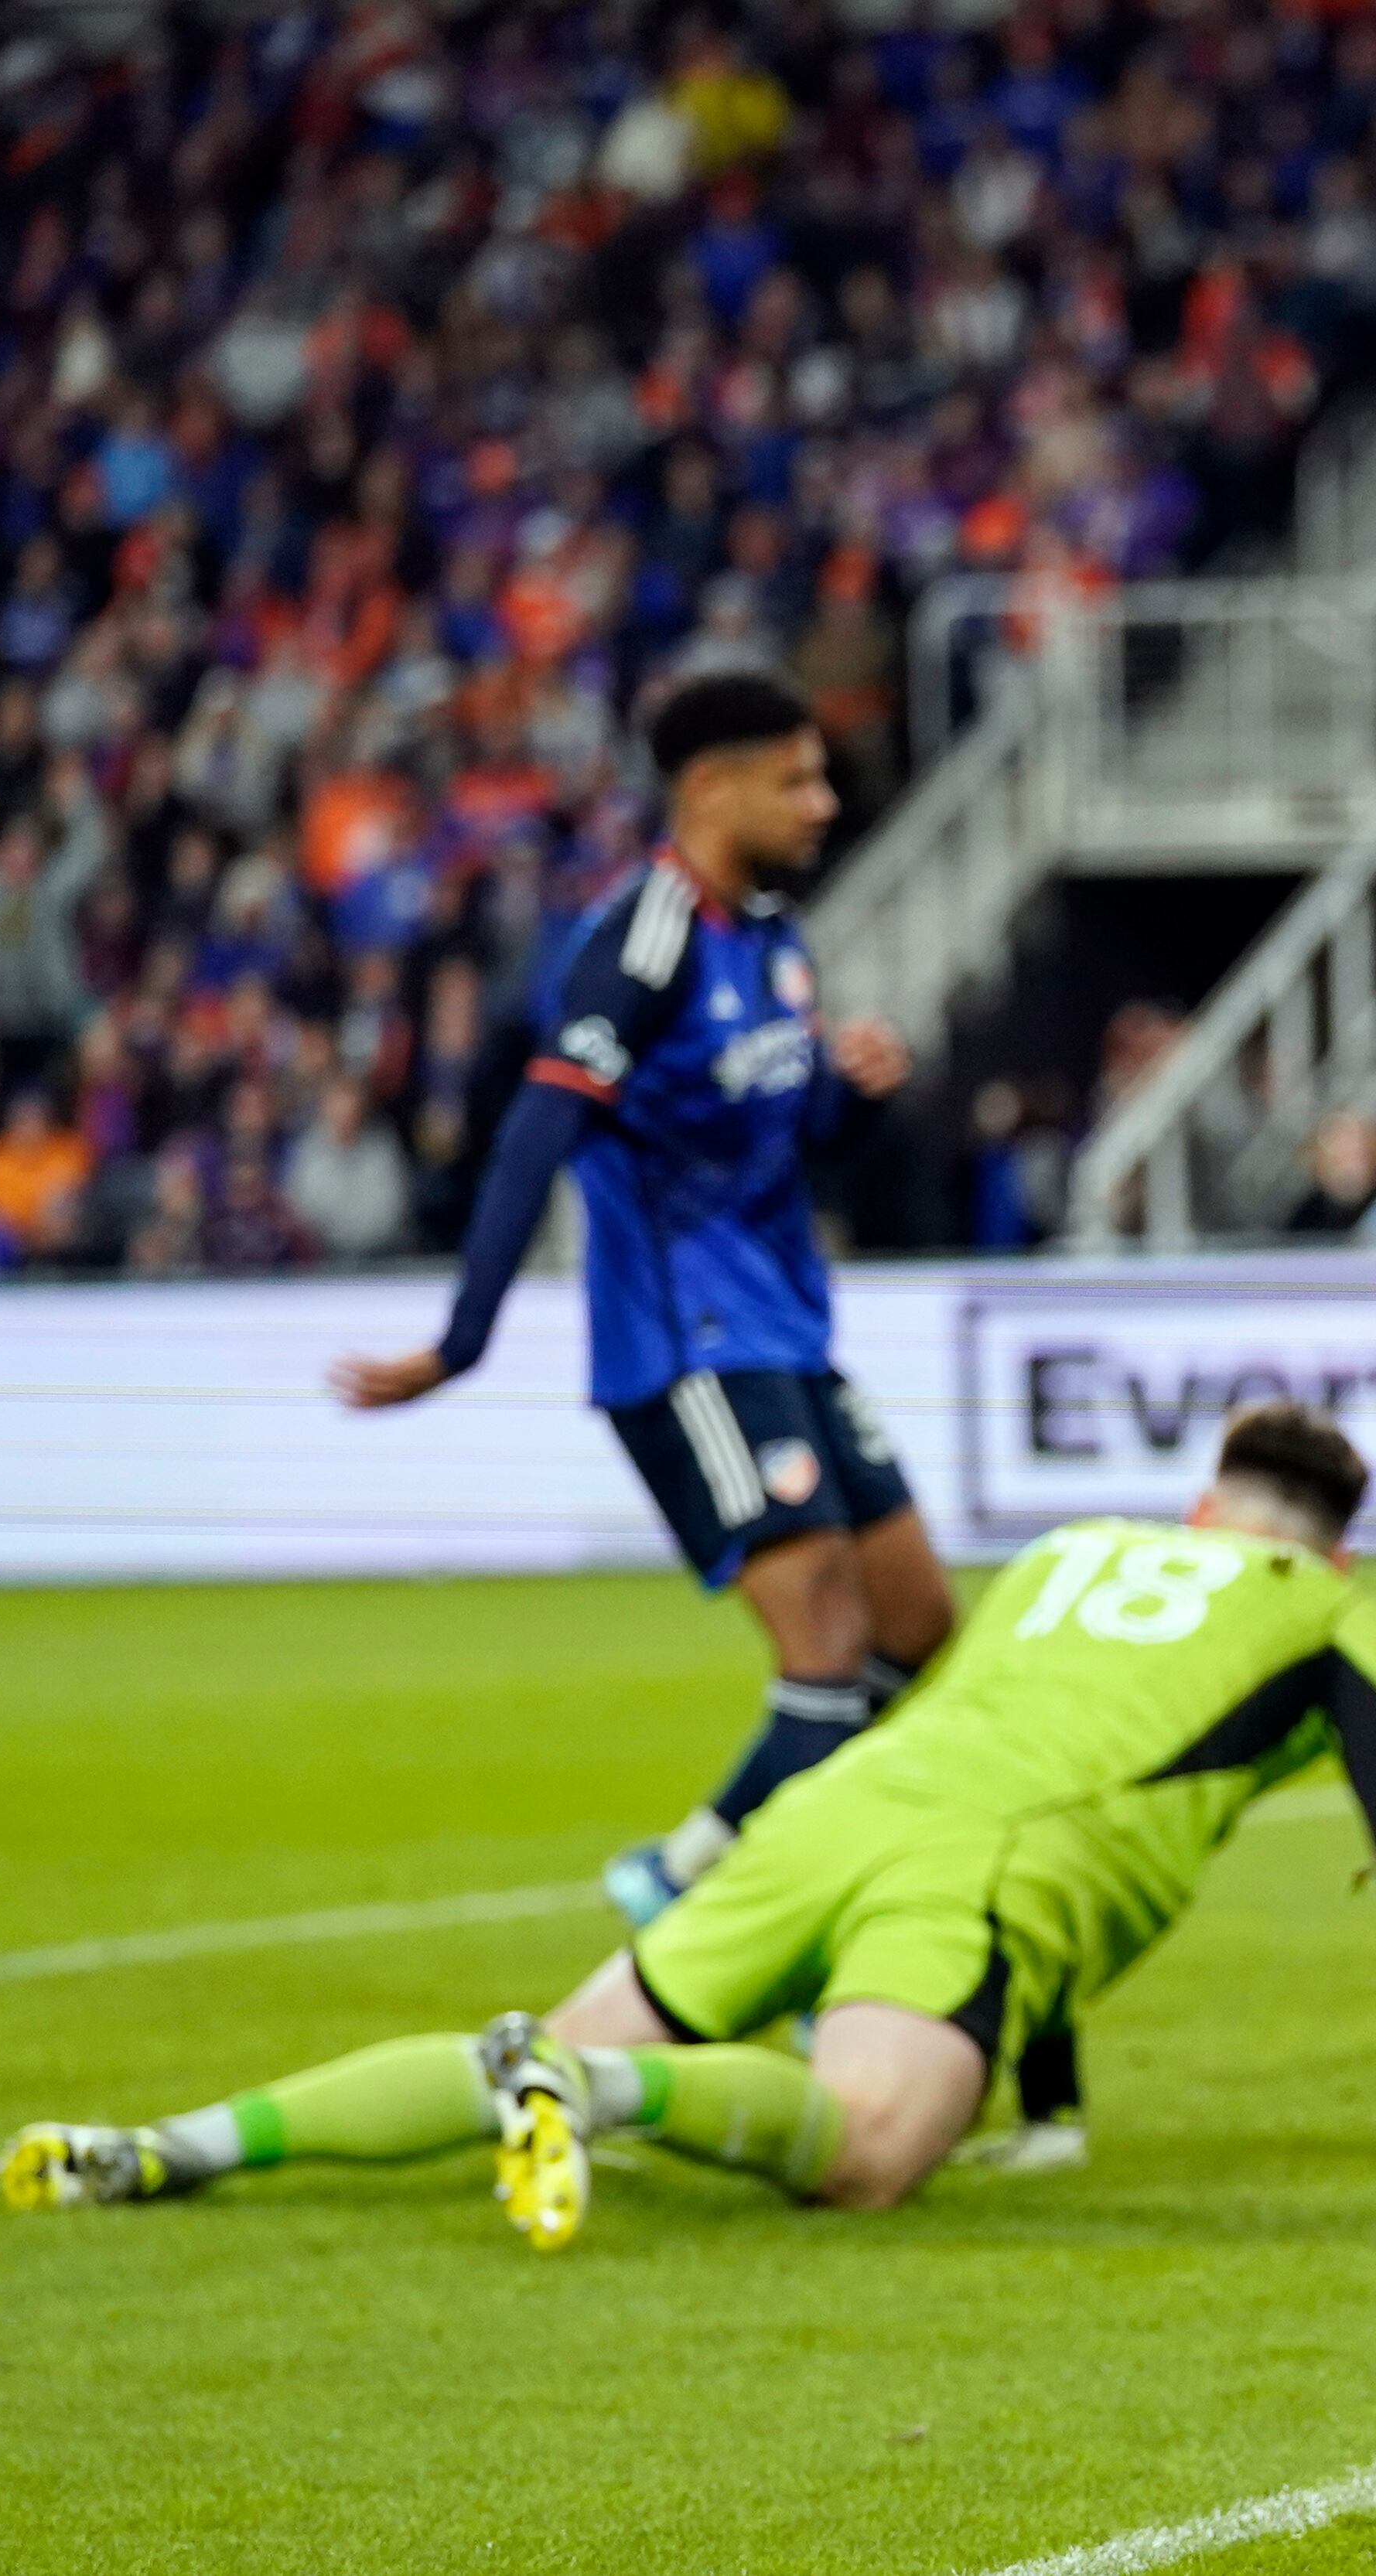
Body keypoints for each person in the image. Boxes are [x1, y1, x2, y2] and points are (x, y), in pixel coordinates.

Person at [0, 1402, 1376, 2246]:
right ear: (1331, 1550)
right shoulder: (1331, 1616)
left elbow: (1043, 1726)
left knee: (517, 2047)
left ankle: (168, 2146)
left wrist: (1049, 2110)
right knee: (866, 2155)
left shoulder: (1079, 1550)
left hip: (830, 1808)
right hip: (977, 1870)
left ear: (1203, 1507)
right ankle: (596, 2093)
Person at [327, 671, 958, 1936]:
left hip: (787, 1326)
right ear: (711, 787)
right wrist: (462, 1339)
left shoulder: (775, 939)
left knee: (916, 1621)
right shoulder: (640, 945)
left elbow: (797, 1141)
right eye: (798, 778)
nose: (825, 803)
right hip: (686, 1343)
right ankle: (705, 1906)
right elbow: (539, 1128)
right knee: (825, 1640)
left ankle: (713, 1867)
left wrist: (857, 1094)